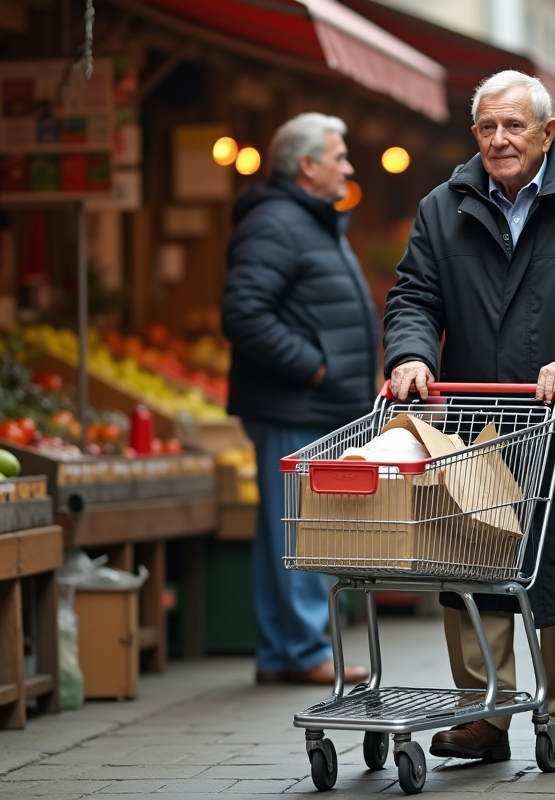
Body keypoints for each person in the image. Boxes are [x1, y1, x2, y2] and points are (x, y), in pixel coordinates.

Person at [385, 70, 555, 763]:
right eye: (487, 126)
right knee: (471, 558)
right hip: (475, 423)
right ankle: (484, 713)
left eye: (514, 126)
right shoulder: (441, 207)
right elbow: (414, 295)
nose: (500, 139)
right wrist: (412, 354)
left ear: (548, 133)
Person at [221, 113, 375, 686]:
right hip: (293, 405)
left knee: (290, 529)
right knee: (300, 529)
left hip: (312, 405)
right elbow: (243, 314)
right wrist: (315, 368)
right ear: (308, 165)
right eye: (339, 156)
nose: (348, 166)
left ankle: (284, 653)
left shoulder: (309, 221)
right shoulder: (277, 224)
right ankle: (306, 652)